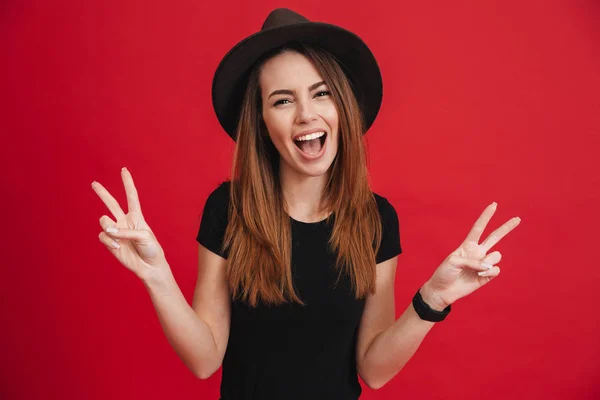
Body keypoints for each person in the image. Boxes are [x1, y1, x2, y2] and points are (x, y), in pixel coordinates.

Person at [91, 8, 521, 400]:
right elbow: (204, 361)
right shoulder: (229, 208)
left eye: (321, 94)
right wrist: (156, 275)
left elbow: (373, 370)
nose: (305, 115)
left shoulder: (376, 219)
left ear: (342, 107)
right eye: (282, 100)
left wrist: (434, 298)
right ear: (261, 121)